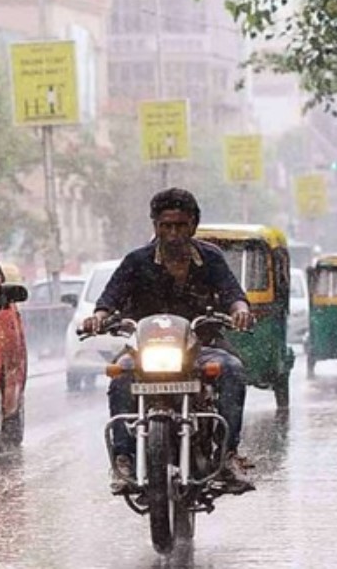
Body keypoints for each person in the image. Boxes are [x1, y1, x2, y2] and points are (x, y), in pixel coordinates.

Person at [80, 187, 254, 494]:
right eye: (165, 226)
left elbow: (233, 296)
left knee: (233, 370)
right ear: (155, 226)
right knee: (120, 376)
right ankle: (123, 459)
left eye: (180, 225)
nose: (172, 233)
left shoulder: (211, 259)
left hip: (202, 347)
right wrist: (99, 316)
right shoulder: (136, 261)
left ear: (193, 225)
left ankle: (227, 456)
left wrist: (240, 312)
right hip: (146, 351)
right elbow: (109, 299)